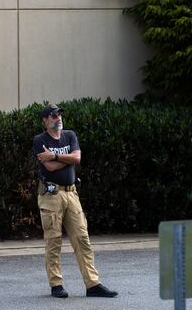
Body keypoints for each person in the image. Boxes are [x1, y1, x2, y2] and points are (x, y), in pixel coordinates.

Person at [33, 103, 118, 299]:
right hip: (50, 195)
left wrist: (55, 155)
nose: (58, 118)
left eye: (59, 115)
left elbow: (77, 158)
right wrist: (67, 158)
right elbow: (50, 168)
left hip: (72, 194)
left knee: (82, 239)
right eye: (53, 116)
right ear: (45, 121)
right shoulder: (39, 140)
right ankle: (56, 285)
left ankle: (92, 284)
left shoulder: (70, 135)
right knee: (53, 241)